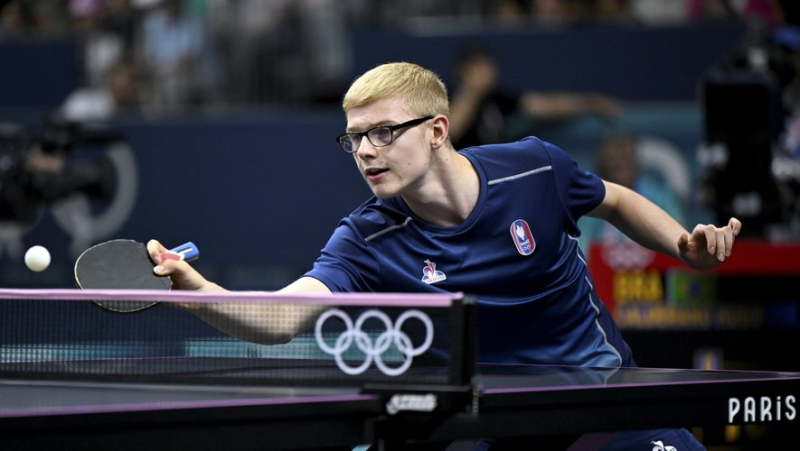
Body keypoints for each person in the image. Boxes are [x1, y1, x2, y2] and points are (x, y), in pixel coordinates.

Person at [148, 62, 740, 450]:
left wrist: (683, 245)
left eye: (382, 132)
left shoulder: (534, 167)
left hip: (600, 398)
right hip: (487, 424)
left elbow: (612, 199)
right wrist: (192, 290)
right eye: (353, 138)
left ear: (436, 130)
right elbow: (279, 319)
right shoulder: (366, 238)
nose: (364, 151)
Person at [449, 44, 620, 149]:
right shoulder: (447, 95)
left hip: (497, 170)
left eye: (489, 66)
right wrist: (472, 92)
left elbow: (542, 105)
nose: (488, 72)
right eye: (479, 66)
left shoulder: (498, 97)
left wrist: (588, 102)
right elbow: (452, 130)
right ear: (464, 71)